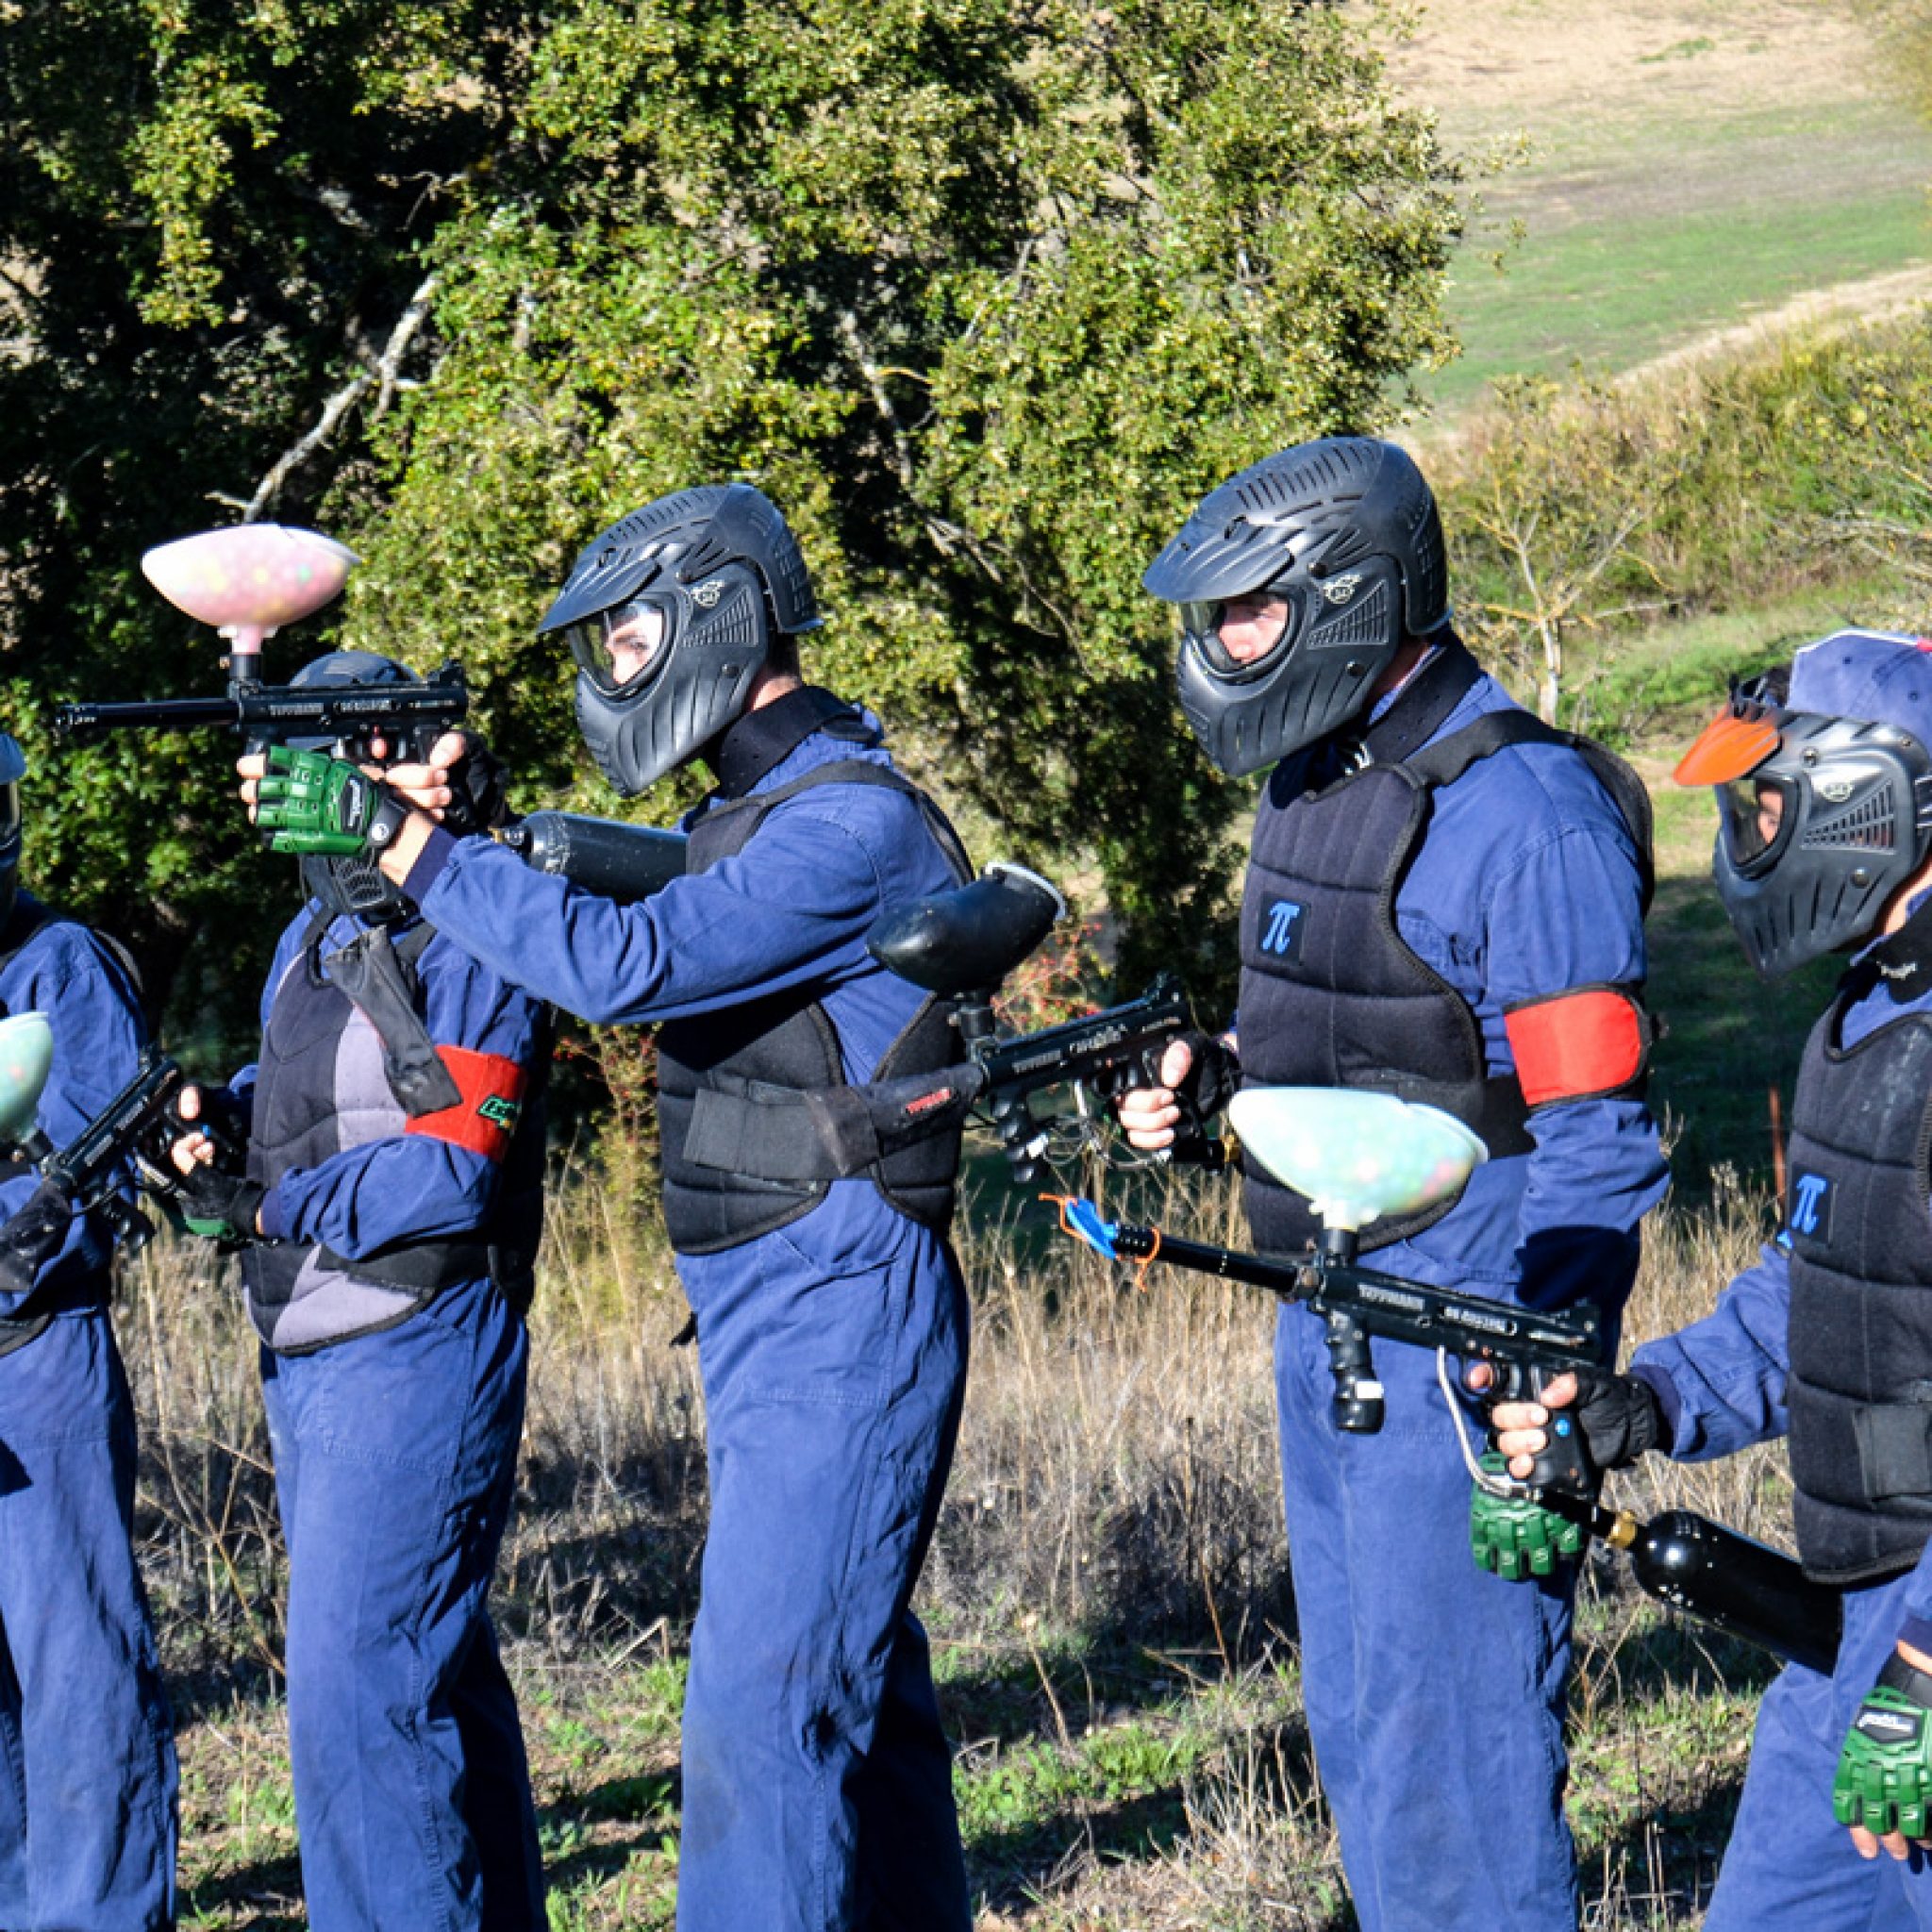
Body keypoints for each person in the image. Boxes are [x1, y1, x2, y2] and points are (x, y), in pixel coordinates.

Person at [239, 485, 977, 1932]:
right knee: (855, 1697)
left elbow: (631, 967)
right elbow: (637, 910)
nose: (611, 675)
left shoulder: (848, 825)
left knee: (766, 1726)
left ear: (721, 614)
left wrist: (409, 847)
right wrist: (463, 841)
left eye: (628, 639)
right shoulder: (753, 816)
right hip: (771, 1298)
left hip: (843, 1295)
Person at [1117, 437, 1669, 1930]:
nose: (1218, 646)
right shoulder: (1317, 781)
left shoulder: (1530, 816)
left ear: (1349, 599)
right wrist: (1214, 1083)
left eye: (1246, 612)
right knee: (1365, 1736)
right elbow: (1357, 1040)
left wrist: (1545, 1373)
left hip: (1471, 1347)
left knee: (1461, 1767)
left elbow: (1599, 1139)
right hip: (1332, 1324)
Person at [1487, 628, 1932, 1929]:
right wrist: (1647, 1406)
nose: (1747, 834)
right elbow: (1814, 1291)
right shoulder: (1866, 1017)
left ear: (1877, 796)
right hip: (1853, 1625)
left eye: (1769, 799)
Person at [168, 651, 550, 1932]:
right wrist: (215, 1127)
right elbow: (329, 1105)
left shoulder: (481, 912)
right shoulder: (320, 918)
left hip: (416, 1333)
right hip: (314, 1345)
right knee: (429, 1679)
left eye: (365, 752)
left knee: (359, 1706)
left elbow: (448, 1174)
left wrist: (273, 1207)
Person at [0, 730, 176, 1930]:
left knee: (75, 1668)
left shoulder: (56, 965)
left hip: (32, 1354)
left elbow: (110, 1155)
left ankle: (98, 1914)